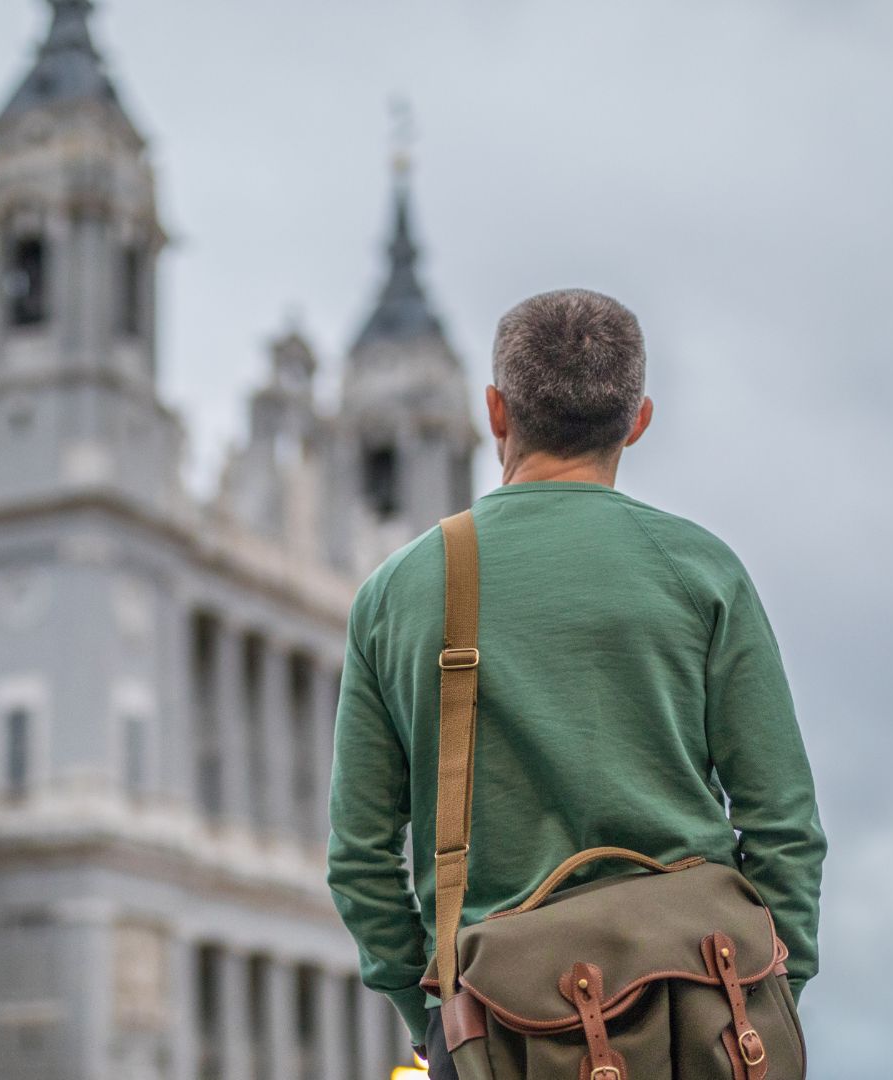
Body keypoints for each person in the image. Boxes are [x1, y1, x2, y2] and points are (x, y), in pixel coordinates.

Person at [326, 288, 826, 1077]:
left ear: (496, 412)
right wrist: (774, 990)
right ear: (637, 420)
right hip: (708, 1007)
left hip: (498, 1031)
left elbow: (358, 858)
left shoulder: (398, 593)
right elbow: (784, 826)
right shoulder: (702, 570)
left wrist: (430, 1017)